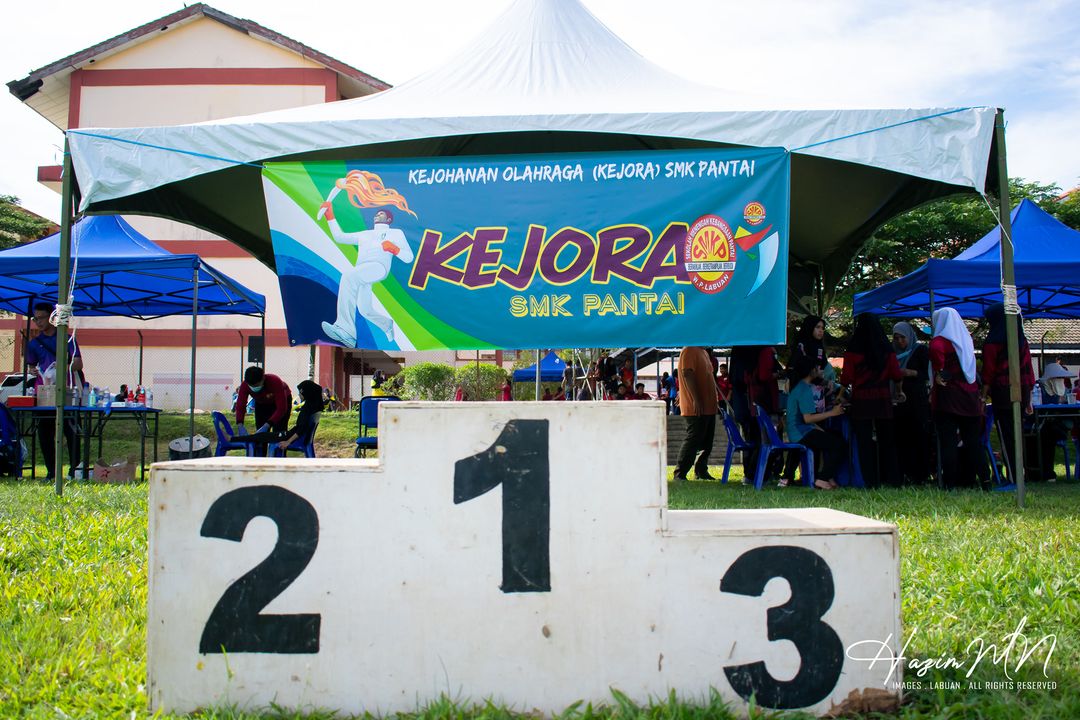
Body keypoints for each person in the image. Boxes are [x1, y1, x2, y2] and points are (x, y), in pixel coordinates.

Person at [318, 170, 416, 346]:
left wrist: (394, 249)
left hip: (378, 267)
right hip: (363, 269)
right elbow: (340, 237)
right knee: (364, 309)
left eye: (381, 213)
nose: (377, 214)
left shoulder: (395, 232)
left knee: (348, 277)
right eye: (376, 213)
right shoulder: (365, 234)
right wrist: (330, 217)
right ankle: (387, 324)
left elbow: (409, 258)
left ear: (389, 218)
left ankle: (346, 330)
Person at [840, 313, 909, 488]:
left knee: (864, 442)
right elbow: (896, 374)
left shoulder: (853, 349)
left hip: (861, 400)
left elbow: (847, 377)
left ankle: (870, 482)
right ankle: (893, 480)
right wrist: (899, 392)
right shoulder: (886, 349)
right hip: (882, 399)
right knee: (888, 441)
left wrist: (841, 395)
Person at [929, 307, 988, 489]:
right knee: (973, 441)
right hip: (969, 396)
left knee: (949, 442)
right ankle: (985, 480)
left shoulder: (938, 343)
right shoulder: (965, 339)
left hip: (947, 398)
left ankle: (950, 484)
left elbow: (939, 371)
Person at [25, 302, 82, 480]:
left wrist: (62, 366)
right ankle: (51, 471)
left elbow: (78, 363)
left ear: (52, 317)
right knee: (45, 433)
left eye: (42, 318)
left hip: (66, 391)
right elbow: (31, 366)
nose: (38, 322)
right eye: (35, 318)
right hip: (44, 394)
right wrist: (33, 370)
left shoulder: (67, 338)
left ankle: (74, 470)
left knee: (71, 432)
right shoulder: (34, 344)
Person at [980, 303, 1035, 483]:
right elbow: (1029, 370)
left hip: (1003, 392)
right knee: (1018, 434)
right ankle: (1022, 472)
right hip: (1023, 390)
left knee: (1006, 434)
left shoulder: (992, 342)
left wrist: (983, 395)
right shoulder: (1021, 339)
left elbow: (989, 372)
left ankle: (1013, 475)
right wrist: (1029, 398)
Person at [786, 354, 846, 489]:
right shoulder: (804, 389)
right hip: (800, 433)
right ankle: (823, 478)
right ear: (811, 370)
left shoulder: (800, 386)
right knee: (838, 444)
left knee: (835, 437)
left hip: (800, 431)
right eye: (819, 368)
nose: (822, 371)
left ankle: (827, 475)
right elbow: (808, 419)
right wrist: (833, 413)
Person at [235, 380, 324, 455]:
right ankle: (234, 439)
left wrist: (288, 442)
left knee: (259, 436)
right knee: (261, 436)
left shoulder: (307, 410)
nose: (299, 395)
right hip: (290, 435)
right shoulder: (314, 408)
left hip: (288, 437)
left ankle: (232, 439)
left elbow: (300, 429)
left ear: (307, 393)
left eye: (300, 392)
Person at [892, 321, 932, 484]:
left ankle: (921, 474)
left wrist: (910, 372)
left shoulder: (920, 350)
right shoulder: (892, 352)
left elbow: (927, 374)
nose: (900, 341)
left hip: (917, 400)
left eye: (903, 338)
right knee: (903, 439)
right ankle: (905, 473)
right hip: (900, 402)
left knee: (919, 437)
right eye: (896, 338)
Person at [673, 346, 718, 482]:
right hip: (696, 407)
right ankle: (680, 473)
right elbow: (687, 373)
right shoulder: (689, 349)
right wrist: (695, 399)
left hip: (709, 406)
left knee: (706, 442)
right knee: (693, 439)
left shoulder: (703, 352)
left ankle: (701, 470)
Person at [235, 366, 293, 456]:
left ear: (263, 379)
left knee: (279, 432)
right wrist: (240, 424)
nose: (255, 388)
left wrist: (268, 424)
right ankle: (260, 458)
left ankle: (279, 459)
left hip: (282, 400)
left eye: (257, 385)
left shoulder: (274, 381)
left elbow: (282, 408)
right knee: (260, 434)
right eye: (252, 386)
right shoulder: (245, 385)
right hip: (261, 402)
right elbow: (240, 405)